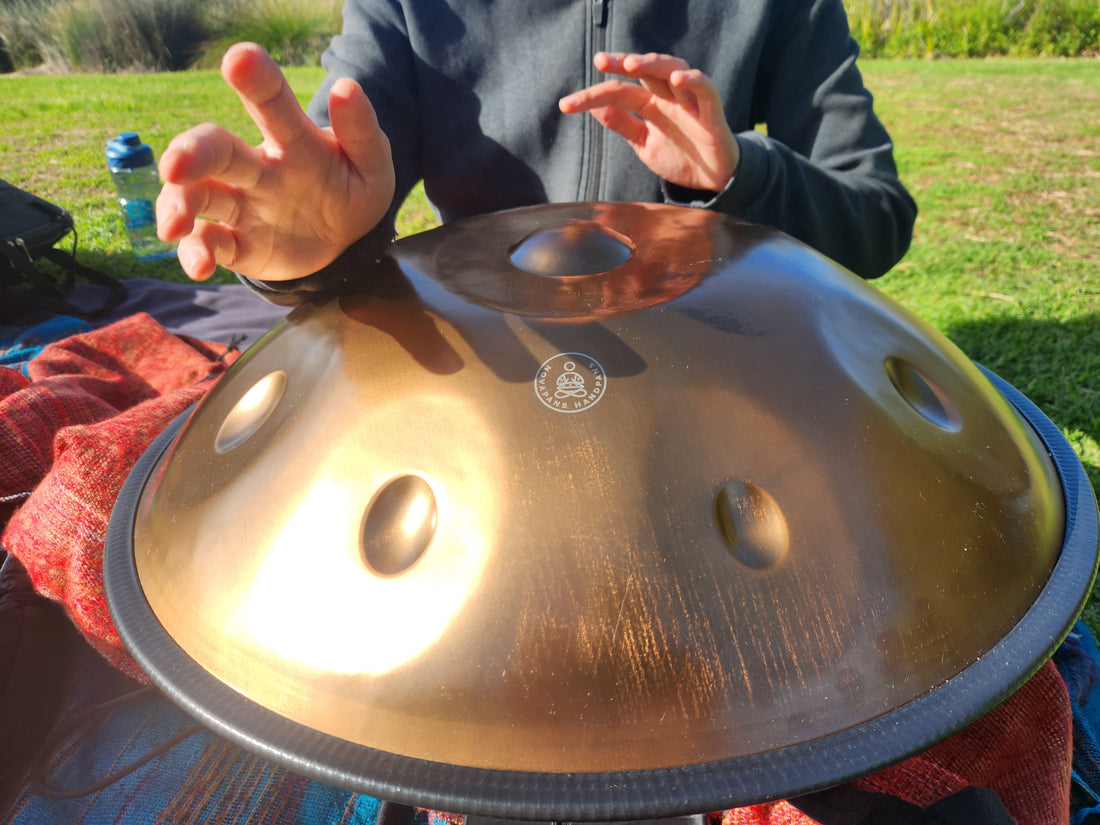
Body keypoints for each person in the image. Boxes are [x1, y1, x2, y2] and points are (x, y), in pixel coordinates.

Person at [155, 0, 916, 299]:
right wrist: (311, 255)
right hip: (488, 379)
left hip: (713, 368)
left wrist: (741, 175)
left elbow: (877, 215)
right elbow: (326, 181)